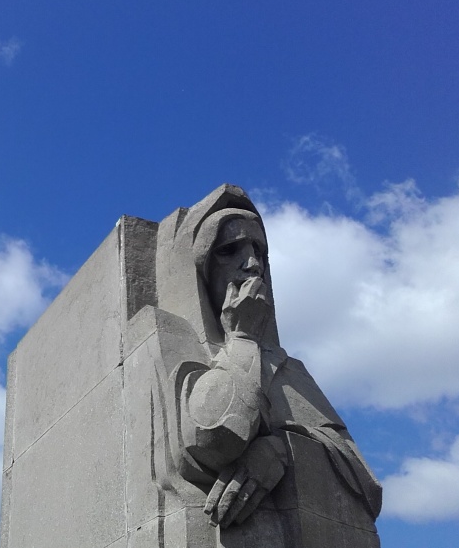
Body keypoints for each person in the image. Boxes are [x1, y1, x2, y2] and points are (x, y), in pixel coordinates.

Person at [153, 185, 381, 539]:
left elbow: (366, 486)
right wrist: (243, 339)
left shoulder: (291, 368)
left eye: (258, 251)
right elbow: (213, 439)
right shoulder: (171, 347)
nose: (253, 265)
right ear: (200, 271)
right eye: (229, 250)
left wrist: (282, 451)